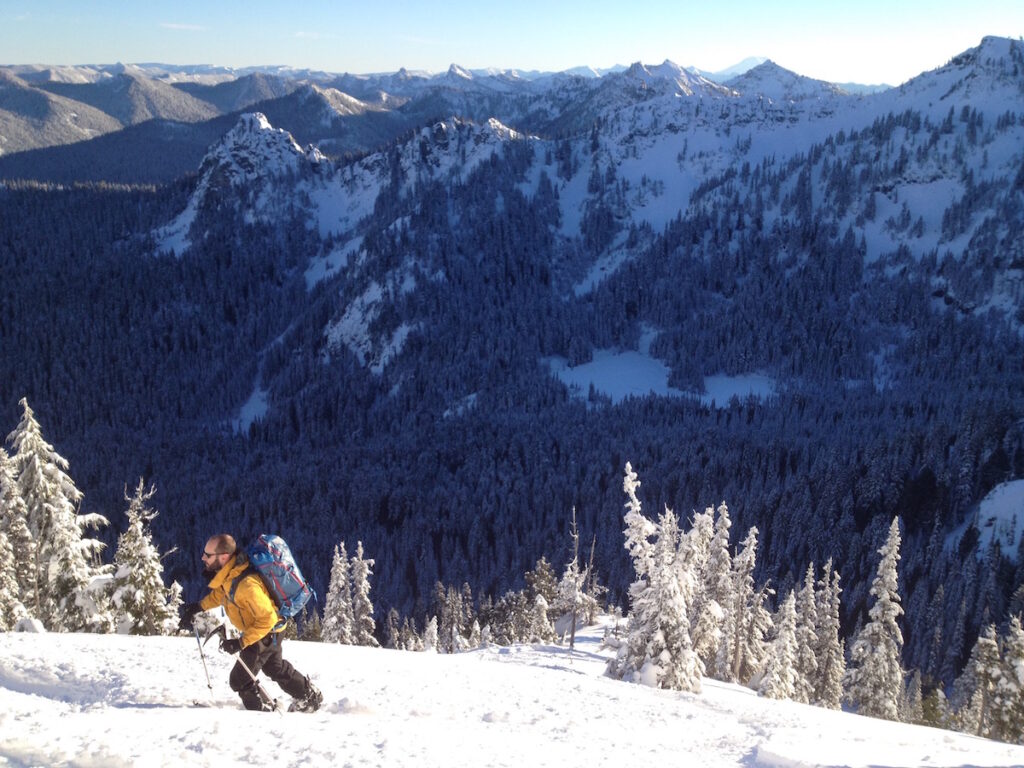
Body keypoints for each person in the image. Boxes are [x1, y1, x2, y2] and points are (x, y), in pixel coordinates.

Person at [185, 533, 322, 712]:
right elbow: (223, 594)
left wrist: (240, 643)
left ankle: (262, 715)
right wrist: (199, 606)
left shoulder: (247, 585)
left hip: (266, 632)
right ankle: (309, 695)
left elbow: (267, 619)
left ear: (224, 557)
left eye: (208, 555)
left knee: (240, 679)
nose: (203, 557)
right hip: (271, 631)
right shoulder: (232, 574)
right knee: (275, 668)